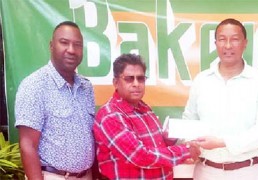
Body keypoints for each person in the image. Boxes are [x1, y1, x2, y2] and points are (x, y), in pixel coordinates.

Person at [183, 18, 258, 180]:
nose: (228, 45)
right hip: (206, 171)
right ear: (215, 43)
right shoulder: (202, 80)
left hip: (249, 171)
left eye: (234, 39)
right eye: (222, 39)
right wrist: (190, 142)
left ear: (245, 43)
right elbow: (189, 119)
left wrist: (222, 142)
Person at [93, 53, 200, 179]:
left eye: (141, 78)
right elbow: (140, 156)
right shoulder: (110, 115)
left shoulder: (145, 109)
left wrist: (168, 138)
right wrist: (186, 151)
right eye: (129, 79)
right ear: (116, 83)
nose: (136, 84)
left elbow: (157, 147)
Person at [15, 21, 95, 180]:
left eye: (77, 44)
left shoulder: (86, 87)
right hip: (53, 176)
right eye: (64, 43)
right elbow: (27, 146)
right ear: (52, 45)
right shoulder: (34, 85)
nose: (71, 50)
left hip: (86, 175)